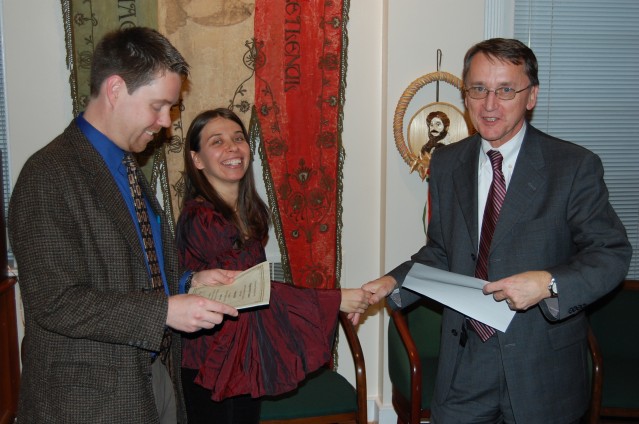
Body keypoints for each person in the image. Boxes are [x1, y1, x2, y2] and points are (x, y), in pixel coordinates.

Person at [362, 38, 632, 424]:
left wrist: (549, 283)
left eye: (506, 90)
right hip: (465, 360)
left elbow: (611, 253)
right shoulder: (446, 163)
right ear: (465, 95)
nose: (489, 105)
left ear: (531, 96)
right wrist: (393, 281)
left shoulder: (573, 166)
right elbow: (441, 250)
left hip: (541, 365)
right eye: (479, 89)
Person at [8, 27, 239, 424]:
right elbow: (55, 302)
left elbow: (131, 268)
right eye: (158, 106)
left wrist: (188, 283)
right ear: (115, 90)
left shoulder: (126, 165)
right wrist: (164, 311)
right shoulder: (47, 174)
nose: (165, 123)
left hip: (150, 379)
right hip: (89, 402)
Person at [175, 108, 371, 424]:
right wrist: (336, 299)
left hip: (240, 353)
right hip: (209, 363)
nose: (232, 147)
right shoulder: (203, 219)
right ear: (197, 159)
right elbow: (247, 289)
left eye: (238, 138)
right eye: (217, 141)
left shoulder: (246, 212)